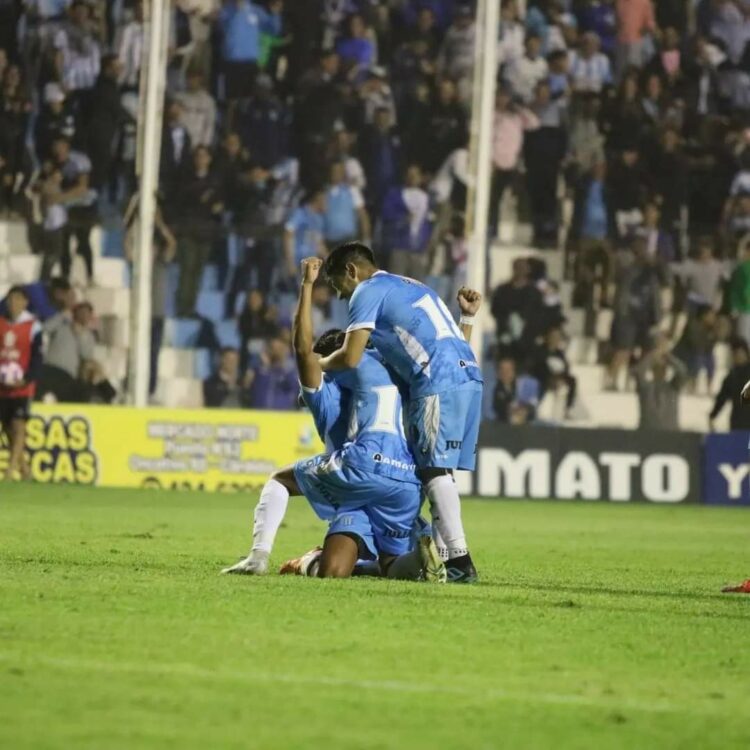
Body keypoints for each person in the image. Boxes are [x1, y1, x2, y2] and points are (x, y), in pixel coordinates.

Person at [223, 258, 444, 582]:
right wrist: (465, 321)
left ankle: (259, 557)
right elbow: (434, 369)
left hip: (360, 469)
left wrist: (307, 284)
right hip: (404, 480)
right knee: (350, 569)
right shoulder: (389, 372)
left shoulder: (327, 388)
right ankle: (414, 561)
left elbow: (302, 351)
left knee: (279, 480)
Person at [319, 241, 483, 583]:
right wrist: (467, 318)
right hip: (468, 374)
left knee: (433, 470)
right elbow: (444, 339)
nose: (339, 296)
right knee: (442, 472)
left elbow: (350, 357)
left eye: (337, 285)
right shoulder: (412, 285)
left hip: (436, 381)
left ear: (351, 271)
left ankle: (460, 561)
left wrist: (317, 364)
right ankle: (443, 561)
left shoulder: (367, 291)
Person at [0, 287, 42, 480]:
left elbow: (37, 357)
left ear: (25, 302)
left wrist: (26, 378)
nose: (13, 303)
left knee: (18, 424)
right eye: (10, 300)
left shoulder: (33, 326)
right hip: (2, 385)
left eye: (17, 299)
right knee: (8, 427)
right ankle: (25, 469)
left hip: (23, 386)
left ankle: (10, 471)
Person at [633, 339, 688, 431]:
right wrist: (654, 354)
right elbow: (639, 372)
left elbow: (682, 371)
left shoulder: (673, 387)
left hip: (670, 433)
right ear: (652, 369)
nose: (661, 368)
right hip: (648, 433)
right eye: (658, 366)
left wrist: (667, 356)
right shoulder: (645, 387)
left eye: (663, 367)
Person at [712, 339, 750, 432]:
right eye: (734, 354)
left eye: (739, 353)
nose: (737, 357)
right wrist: (713, 415)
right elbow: (722, 397)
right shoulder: (732, 376)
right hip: (738, 423)